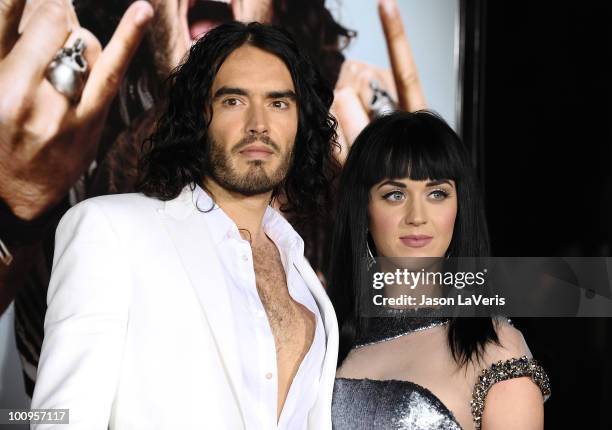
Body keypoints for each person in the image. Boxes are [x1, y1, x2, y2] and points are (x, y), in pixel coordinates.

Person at [31, 22, 339, 429]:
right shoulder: (110, 231)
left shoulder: (302, 272)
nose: (259, 124)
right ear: (199, 115)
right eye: (233, 101)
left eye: (279, 103)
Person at [327, 111, 550, 430]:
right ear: (363, 209)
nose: (417, 216)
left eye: (437, 193)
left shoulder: (496, 349)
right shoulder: (326, 340)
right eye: (395, 194)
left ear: (460, 207)